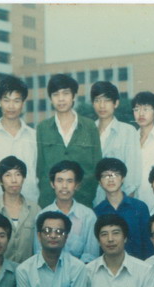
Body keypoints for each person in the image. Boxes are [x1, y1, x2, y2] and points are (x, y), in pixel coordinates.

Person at [36, 74, 102, 208]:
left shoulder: (89, 126)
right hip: (50, 202)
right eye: (56, 94)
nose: (61, 99)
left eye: (65, 93)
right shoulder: (42, 128)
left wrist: (87, 193)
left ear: (74, 96)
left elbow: (96, 165)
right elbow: (40, 168)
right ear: (50, 99)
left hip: (83, 201)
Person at [0, 75, 39, 203]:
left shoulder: (34, 137)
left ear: (23, 103)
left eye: (16, 101)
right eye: (6, 100)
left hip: (30, 207)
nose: (11, 106)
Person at [34, 160, 99, 263]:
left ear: (77, 185)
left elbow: (91, 256)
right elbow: (38, 252)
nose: (64, 186)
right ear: (52, 184)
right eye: (60, 181)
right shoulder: (41, 216)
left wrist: (72, 271)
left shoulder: (88, 216)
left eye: (69, 181)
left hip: (80, 271)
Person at [0, 156, 40, 263]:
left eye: (18, 174)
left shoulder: (36, 210)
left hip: (27, 270)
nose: (14, 180)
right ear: (0, 180)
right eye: (8, 175)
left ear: (23, 178)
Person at [90, 81, 140, 206]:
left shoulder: (128, 131)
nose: (102, 105)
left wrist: (125, 204)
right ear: (92, 103)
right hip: (92, 202)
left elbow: (132, 172)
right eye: (97, 100)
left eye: (107, 100)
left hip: (120, 201)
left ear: (116, 103)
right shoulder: (87, 131)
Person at [93, 158, 154, 260]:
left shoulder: (139, 207)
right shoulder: (96, 212)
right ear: (100, 182)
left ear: (122, 178)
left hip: (139, 266)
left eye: (115, 174)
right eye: (105, 175)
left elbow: (148, 243)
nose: (111, 179)